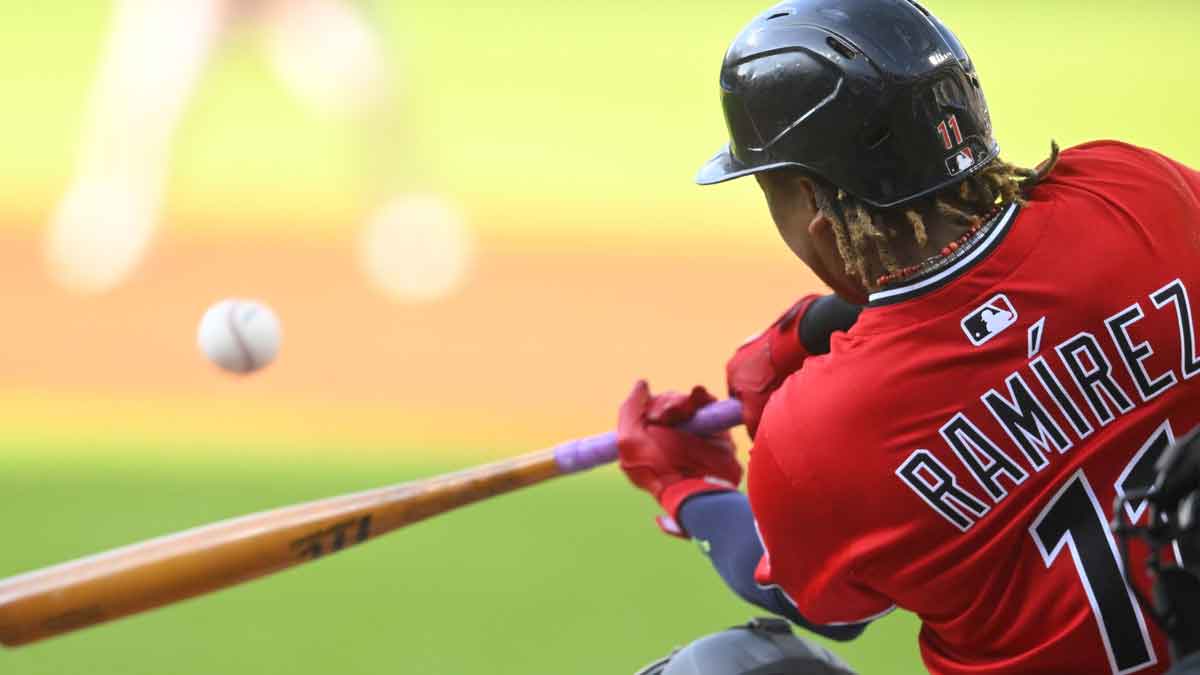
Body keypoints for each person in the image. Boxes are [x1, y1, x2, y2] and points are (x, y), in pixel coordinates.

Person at [615, 1, 1200, 673]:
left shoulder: (818, 431)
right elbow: (997, 293)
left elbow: (815, 604)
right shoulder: (1138, 194)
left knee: (719, 667)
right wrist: (816, 326)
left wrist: (687, 486)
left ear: (812, 203)